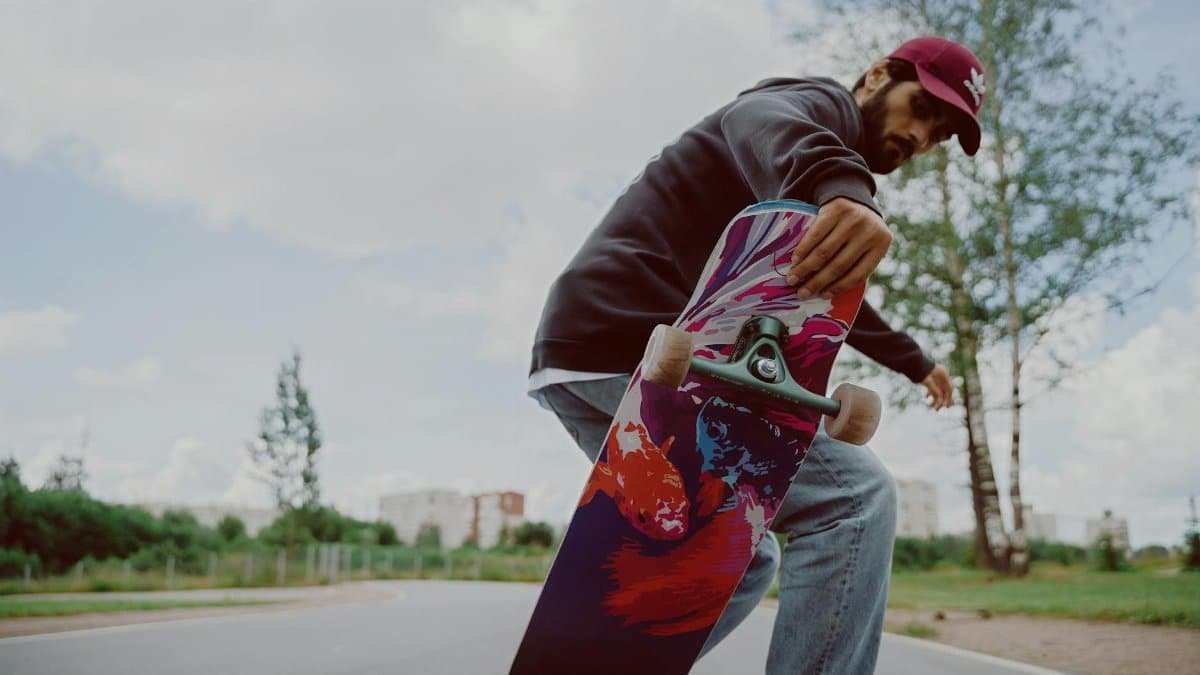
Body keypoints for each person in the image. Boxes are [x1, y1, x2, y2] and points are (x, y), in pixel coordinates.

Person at [528, 36, 981, 673]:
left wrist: (912, 360)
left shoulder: (798, 177)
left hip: (582, 352)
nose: (920, 136)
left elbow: (826, 283)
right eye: (920, 108)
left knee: (739, 553)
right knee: (852, 500)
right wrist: (843, 186)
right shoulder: (815, 106)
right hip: (638, 342)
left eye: (939, 135)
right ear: (878, 75)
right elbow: (756, 118)